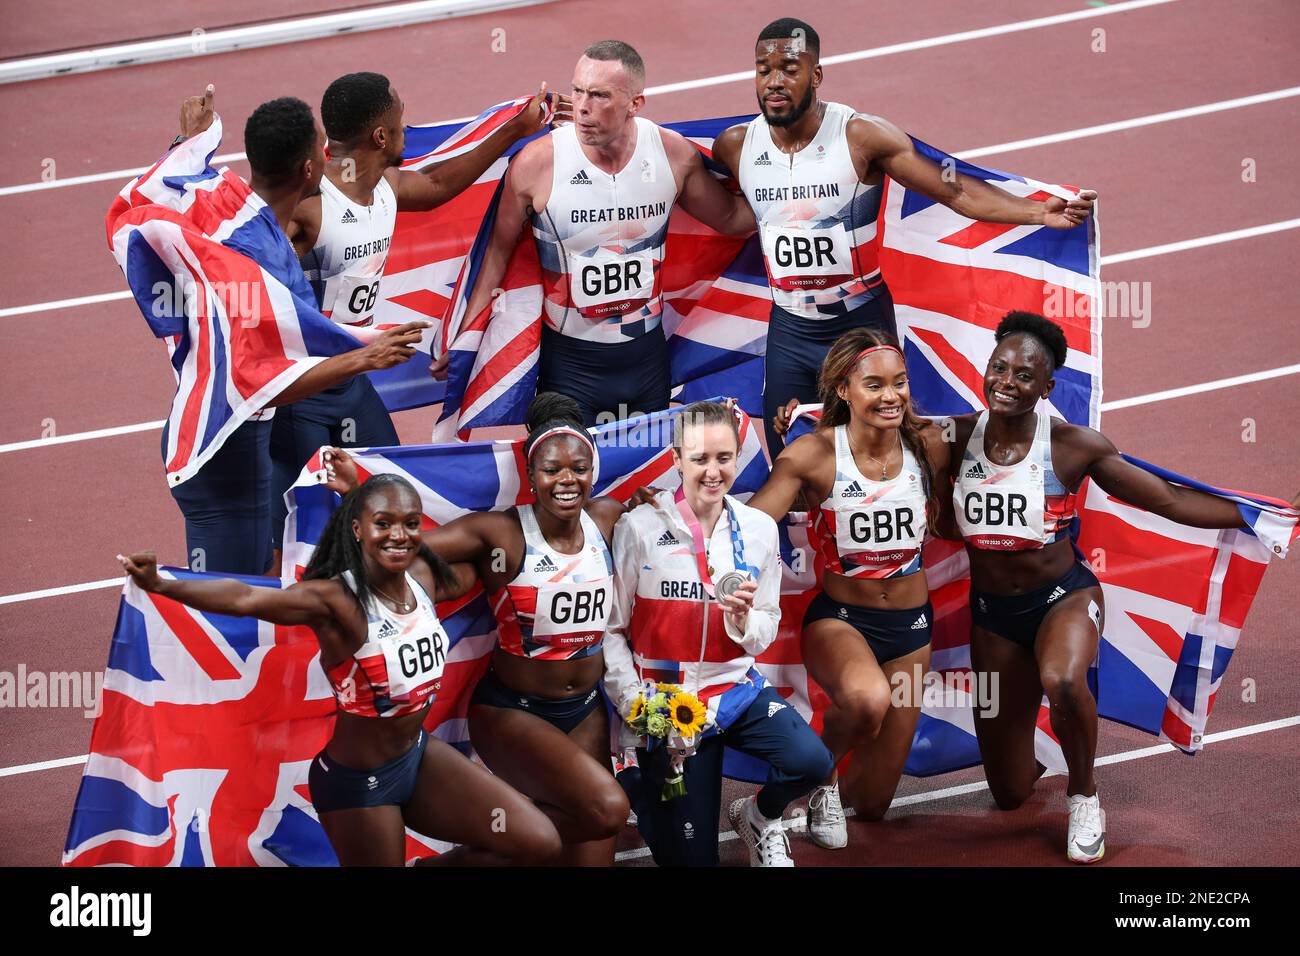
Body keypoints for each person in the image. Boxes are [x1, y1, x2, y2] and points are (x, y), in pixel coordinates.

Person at [943, 311, 1298, 863]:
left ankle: (1084, 795)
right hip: (993, 617)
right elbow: (874, 425)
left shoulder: (1073, 445)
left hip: (1064, 599)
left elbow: (1169, 500)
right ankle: (1045, 739)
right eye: (999, 368)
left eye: (1023, 375)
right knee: (1010, 794)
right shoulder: (955, 436)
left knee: (1061, 678)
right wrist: (804, 414)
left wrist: (1261, 517)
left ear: (1047, 387)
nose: (1006, 383)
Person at [119, 473, 562, 866]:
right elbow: (245, 599)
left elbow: (491, 564)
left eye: (410, 523)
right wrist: (163, 584)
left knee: (536, 841)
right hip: (359, 785)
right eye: (383, 524)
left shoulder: (425, 580)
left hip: (419, 757)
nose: (399, 535)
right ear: (357, 530)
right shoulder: (338, 601)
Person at [709, 18, 1098, 454]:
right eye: (764, 69)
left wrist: (1037, 212)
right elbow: (732, 215)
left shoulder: (860, 137)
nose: (774, 81)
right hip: (790, 329)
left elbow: (953, 189)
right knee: (790, 450)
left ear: (816, 75)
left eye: (790, 68)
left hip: (859, 322)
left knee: (878, 451)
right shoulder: (738, 146)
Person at [270, 74, 568, 565]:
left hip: (351, 382)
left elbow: (435, 185)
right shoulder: (309, 204)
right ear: (381, 137)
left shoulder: (383, 186)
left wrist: (514, 131)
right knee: (305, 527)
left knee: (389, 495)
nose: (407, 125)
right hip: (302, 391)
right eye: (400, 116)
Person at [322, 393, 631, 864]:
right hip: (514, 712)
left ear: (594, 471)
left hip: (584, 710)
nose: (566, 480)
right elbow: (407, 547)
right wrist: (355, 494)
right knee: (604, 808)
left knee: (594, 827)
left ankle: (523, 833)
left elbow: (670, 530)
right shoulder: (499, 533)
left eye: (579, 468)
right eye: (551, 470)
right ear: (531, 477)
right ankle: (508, 839)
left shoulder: (608, 518)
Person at [151, 86, 427, 575]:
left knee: (273, 567)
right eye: (321, 148)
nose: (329, 155)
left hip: (246, 435)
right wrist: (365, 355)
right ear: (308, 169)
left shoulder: (239, 210)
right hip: (217, 446)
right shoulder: (259, 269)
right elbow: (257, 382)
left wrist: (189, 141)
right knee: (241, 590)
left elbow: (182, 189)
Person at [456, 40, 757, 426]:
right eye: (578, 90)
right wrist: (466, 337)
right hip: (568, 365)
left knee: (647, 479)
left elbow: (732, 218)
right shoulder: (538, 164)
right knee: (567, 477)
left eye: (599, 95)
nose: (582, 107)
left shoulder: (672, 155)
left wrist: (792, 197)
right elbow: (497, 254)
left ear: (636, 103)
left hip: (646, 359)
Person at [603, 400, 833, 867]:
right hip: (666, 704)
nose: (713, 471)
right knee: (689, 858)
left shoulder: (758, 529)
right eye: (700, 459)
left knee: (813, 762)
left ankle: (757, 815)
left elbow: (766, 623)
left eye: (724, 458)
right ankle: (636, 784)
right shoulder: (639, 528)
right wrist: (636, 705)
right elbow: (612, 630)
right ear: (676, 461)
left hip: (734, 692)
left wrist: (745, 622)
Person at [747, 328, 950, 850]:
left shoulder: (929, 442)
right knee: (865, 701)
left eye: (899, 384)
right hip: (840, 620)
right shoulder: (812, 456)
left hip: (912, 630)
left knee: (875, 804)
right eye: (874, 385)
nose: (890, 397)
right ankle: (799, 790)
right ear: (843, 390)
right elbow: (749, 528)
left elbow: (997, 434)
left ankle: (825, 783)